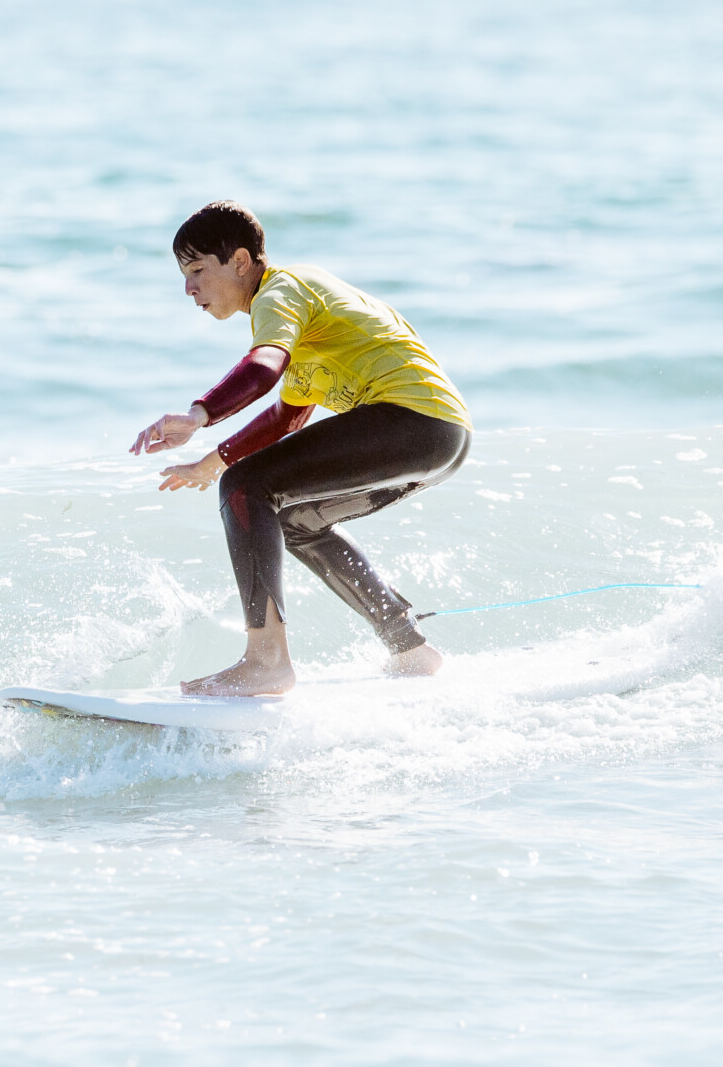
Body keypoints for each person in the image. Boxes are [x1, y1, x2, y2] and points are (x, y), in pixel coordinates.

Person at [131, 201, 472, 697]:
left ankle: (266, 661)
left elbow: (264, 367)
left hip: (413, 419)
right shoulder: (302, 314)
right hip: (443, 437)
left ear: (242, 262)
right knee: (295, 519)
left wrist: (199, 416)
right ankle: (410, 647)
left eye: (198, 270)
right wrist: (211, 461)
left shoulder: (279, 291)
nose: (189, 288)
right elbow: (288, 415)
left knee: (247, 486)